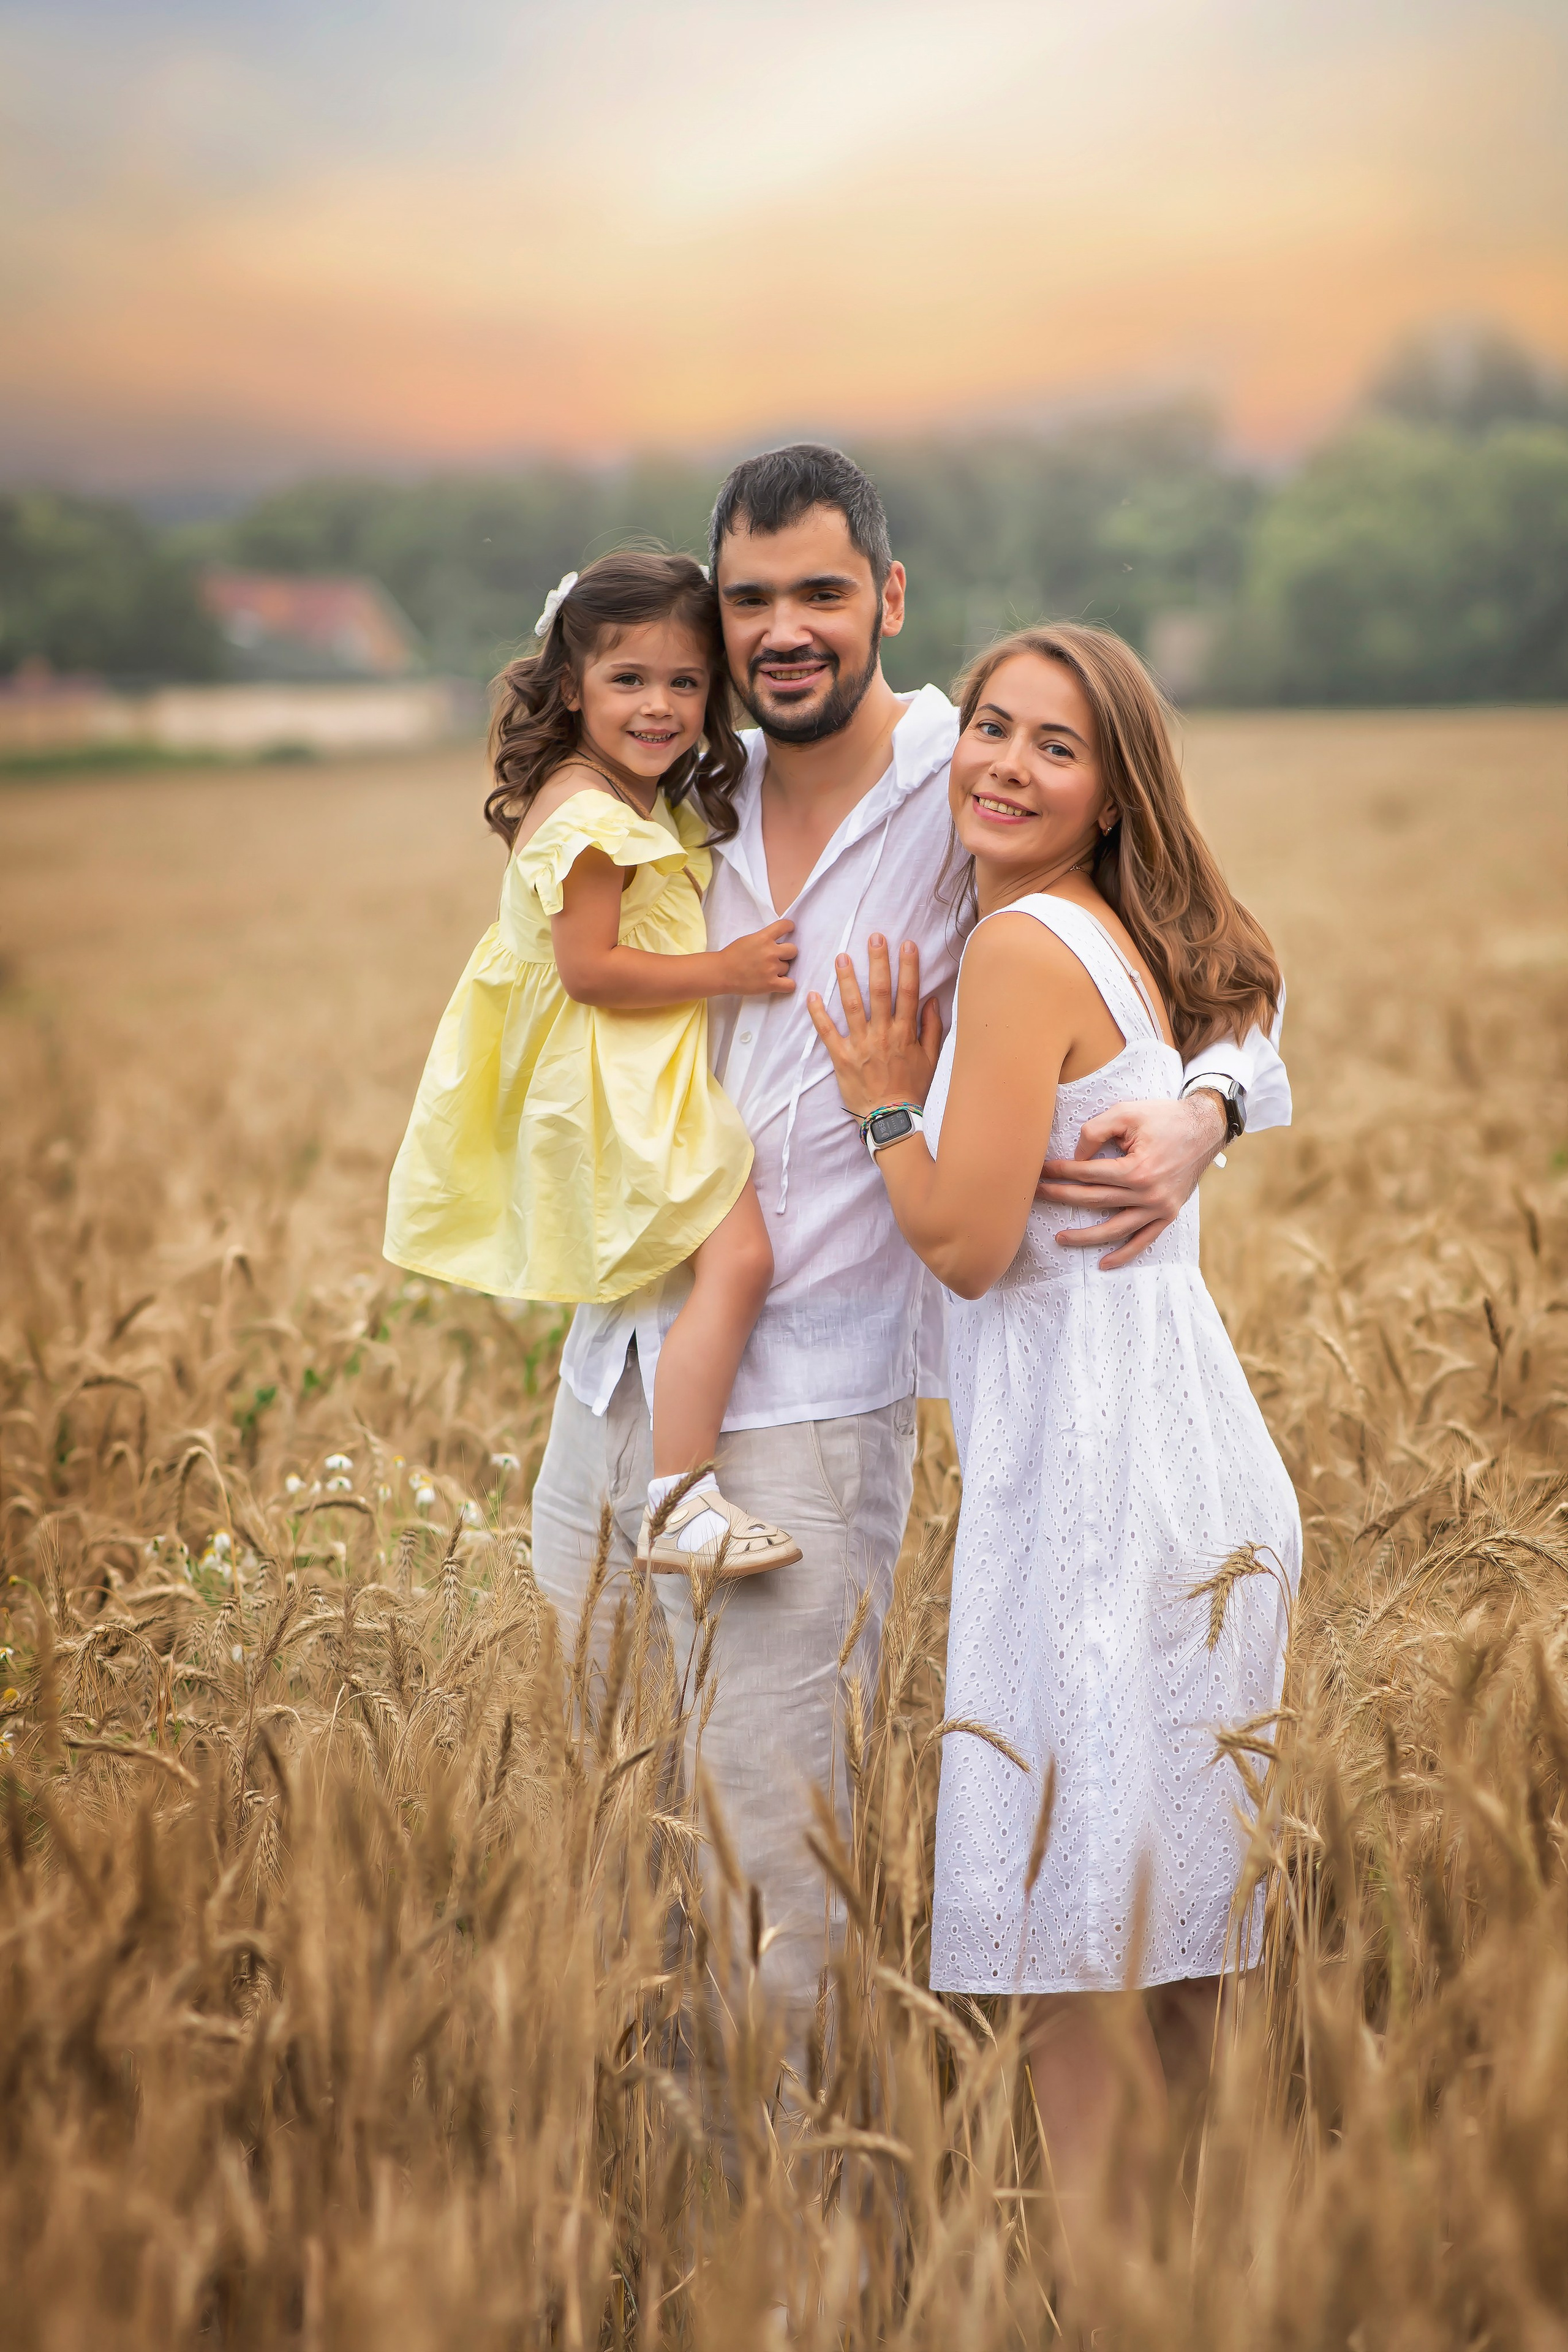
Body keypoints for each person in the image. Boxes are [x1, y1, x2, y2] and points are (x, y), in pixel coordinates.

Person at [530, 447, 1291, 2058]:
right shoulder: (680, 772)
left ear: (886, 595)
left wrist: (1208, 1110)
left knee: (770, 1895)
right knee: (609, 1863)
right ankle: (675, 2263)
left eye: (820, 591)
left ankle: (808, 2284)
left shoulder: (971, 772)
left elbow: (1217, 956)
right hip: (613, 1373)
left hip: (810, 1400)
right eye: (749, 599)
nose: (783, 629)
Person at [807, 620, 1302, 2231]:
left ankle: (1117, 2308)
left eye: (1054, 747)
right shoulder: (1122, 930)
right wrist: (1213, 1105)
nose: (1006, 765)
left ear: (1110, 795)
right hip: (1189, 1472)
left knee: (1080, 1964)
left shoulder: (1025, 949)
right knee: (1180, 1952)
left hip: (1096, 1488)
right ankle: (1216, 2293)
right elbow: (1260, 983)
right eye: (992, 727)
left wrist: (885, 1090)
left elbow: (958, 1236)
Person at [383, 551, 806, 1574]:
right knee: (742, 1260)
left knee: (722, 1262)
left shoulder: (608, 790)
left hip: (621, 1071)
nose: (660, 707)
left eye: (685, 682)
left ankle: (674, 1490)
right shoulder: (587, 819)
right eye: (629, 681)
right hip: (614, 1083)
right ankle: (682, 1501)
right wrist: (729, 969)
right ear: (571, 686)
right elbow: (587, 970)